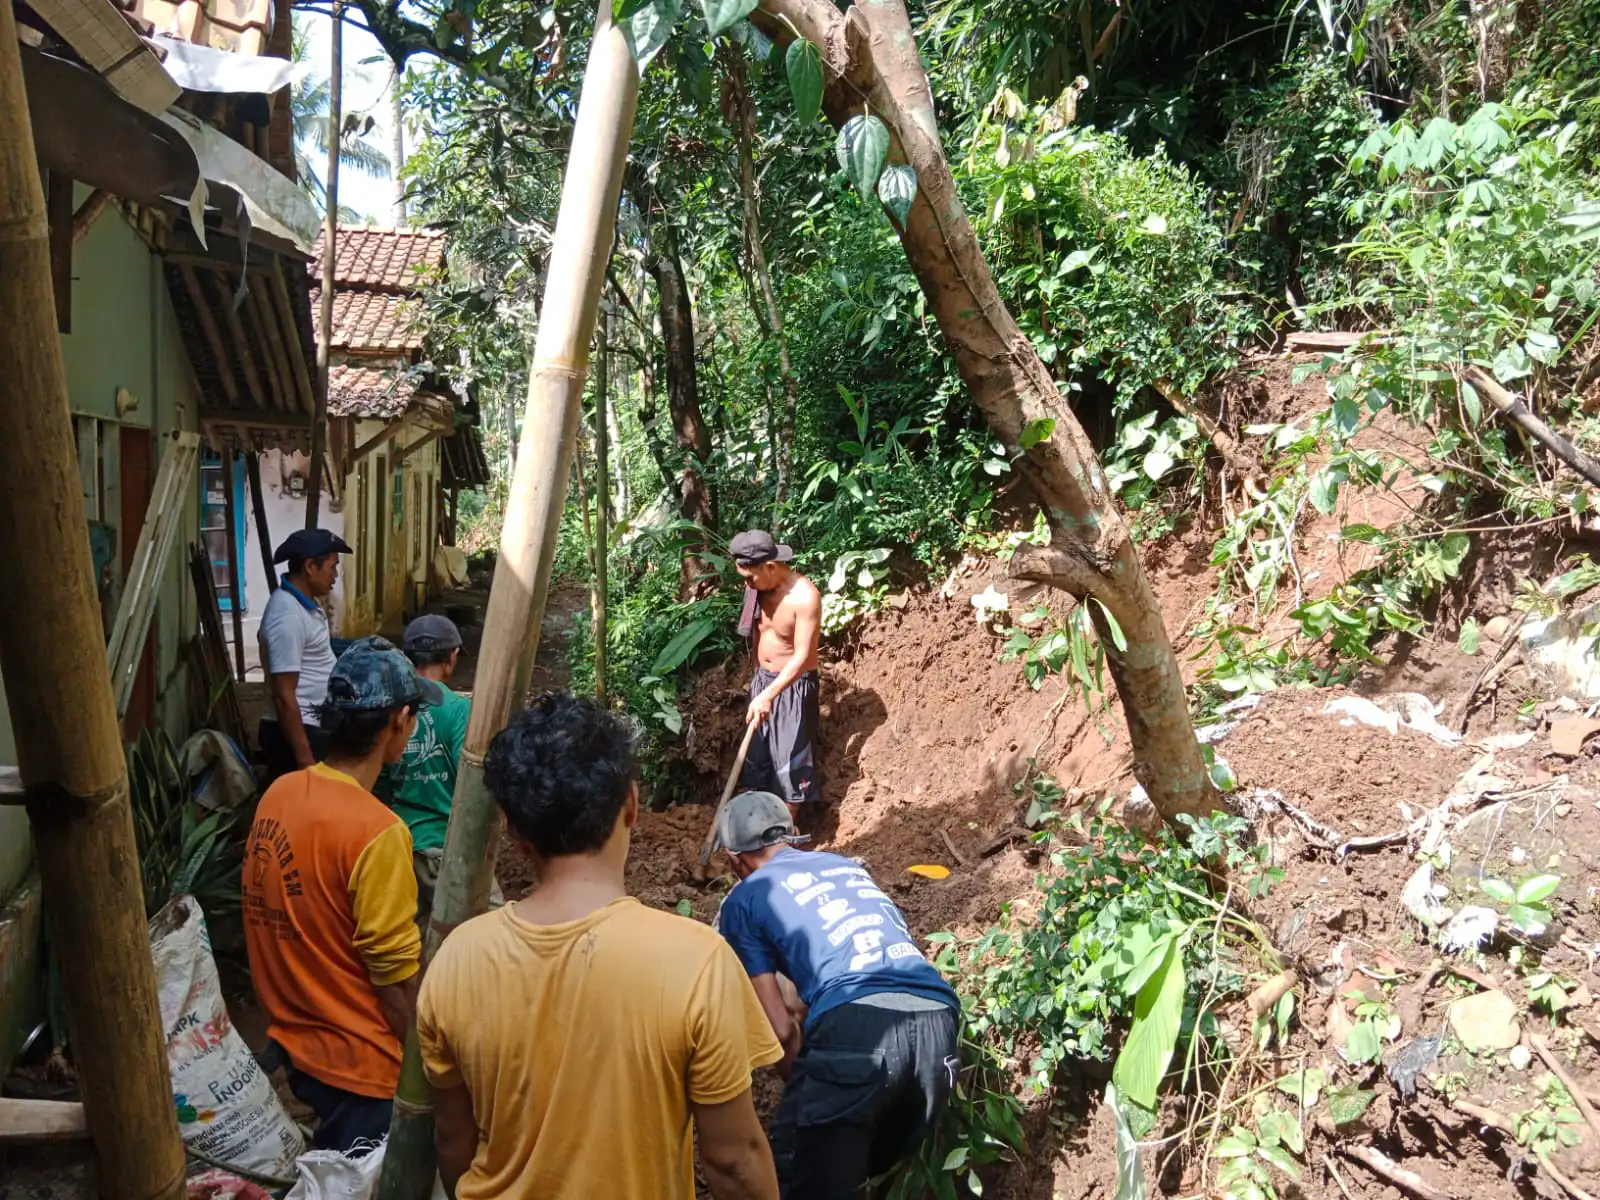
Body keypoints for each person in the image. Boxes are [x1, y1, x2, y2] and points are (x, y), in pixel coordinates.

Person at [416, 693, 782, 1200]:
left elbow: (453, 1140)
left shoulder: (453, 960)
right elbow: (734, 1160)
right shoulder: (696, 960)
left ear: (516, 830)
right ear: (631, 804)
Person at [242, 636, 441, 1153]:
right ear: (399, 721)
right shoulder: (378, 832)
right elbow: (395, 983)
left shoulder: (280, 793)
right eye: (415, 716)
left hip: (296, 1043)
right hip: (363, 1070)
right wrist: (435, 1071)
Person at [715, 791, 961, 1198]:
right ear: (792, 835)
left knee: (790, 1173)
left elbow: (779, 1029)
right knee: (868, 1170)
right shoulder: (846, 868)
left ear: (734, 859)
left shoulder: (744, 898)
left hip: (857, 1029)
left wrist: (813, 1088)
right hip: (940, 1023)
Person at [374, 613, 485, 922]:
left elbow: (380, 780)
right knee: (483, 925)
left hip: (400, 843)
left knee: (415, 932)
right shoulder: (459, 709)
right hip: (444, 846)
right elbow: (470, 780)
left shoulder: (391, 706)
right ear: (451, 658)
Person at [730, 530, 823, 820]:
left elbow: (802, 656)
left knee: (789, 771)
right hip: (763, 683)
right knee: (755, 763)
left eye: (749, 577)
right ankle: (752, 836)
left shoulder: (804, 597)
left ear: (770, 567)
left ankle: (783, 841)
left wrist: (769, 694)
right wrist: (758, 682)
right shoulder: (757, 589)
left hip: (792, 688)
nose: (746, 584)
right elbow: (758, 632)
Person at [257, 527, 351, 781]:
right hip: (298, 733)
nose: (335, 576)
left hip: (316, 725)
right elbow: (284, 694)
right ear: (310, 566)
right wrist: (305, 763)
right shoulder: (287, 616)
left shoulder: (305, 605)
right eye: (332, 567)